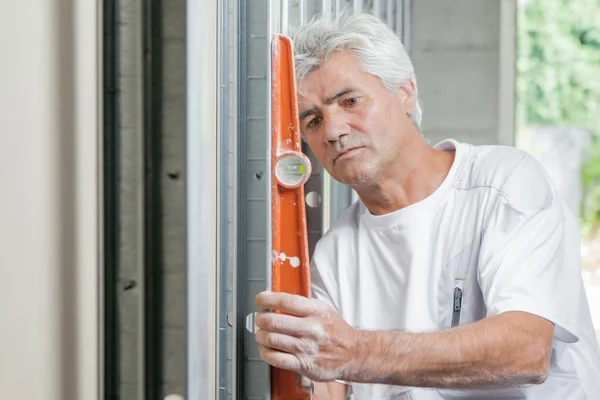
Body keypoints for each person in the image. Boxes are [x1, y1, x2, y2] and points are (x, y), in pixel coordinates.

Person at [253, 11, 600, 400]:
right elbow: (327, 383)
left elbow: (525, 350)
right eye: (313, 121)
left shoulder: (504, 184)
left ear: (406, 93)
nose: (333, 130)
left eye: (350, 101)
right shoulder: (335, 256)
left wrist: (353, 351)